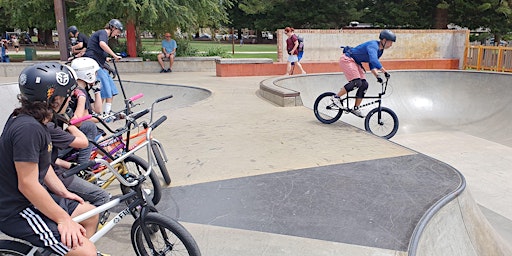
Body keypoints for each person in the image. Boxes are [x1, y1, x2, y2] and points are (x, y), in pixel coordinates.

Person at [0, 62, 98, 255]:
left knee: (90, 214)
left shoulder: (36, 122)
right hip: (17, 208)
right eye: (67, 95)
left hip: (31, 200)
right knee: (86, 252)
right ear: (54, 99)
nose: (70, 100)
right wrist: (63, 219)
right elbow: (27, 183)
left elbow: (44, 168)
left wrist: (63, 192)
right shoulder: (28, 129)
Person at [334, 29, 396, 118]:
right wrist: (384, 71)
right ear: (384, 40)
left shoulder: (380, 51)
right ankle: (336, 98)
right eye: (390, 42)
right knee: (356, 82)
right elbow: (374, 60)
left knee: (364, 84)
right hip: (348, 59)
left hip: (355, 62)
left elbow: (372, 64)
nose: (391, 45)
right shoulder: (373, 46)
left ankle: (356, 108)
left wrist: (377, 76)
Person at [84, 19, 123, 115]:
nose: (117, 35)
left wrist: (107, 59)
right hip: (93, 64)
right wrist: (114, 55)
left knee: (111, 87)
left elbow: (97, 50)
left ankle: (107, 111)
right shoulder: (103, 33)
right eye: (117, 32)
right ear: (112, 28)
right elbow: (102, 44)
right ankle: (97, 113)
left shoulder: (104, 36)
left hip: (99, 63)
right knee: (104, 88)